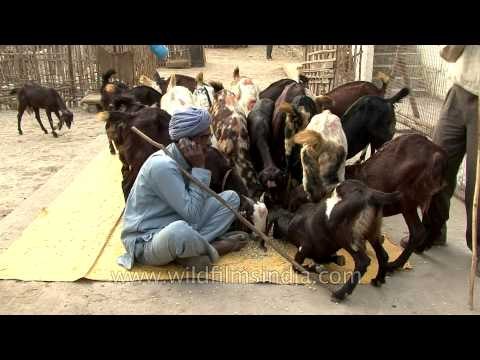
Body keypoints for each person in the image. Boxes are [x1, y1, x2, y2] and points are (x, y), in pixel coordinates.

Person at [117, 107, 248, 271]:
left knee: (231, 199)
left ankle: (188, 251)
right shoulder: (162, 166)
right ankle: (216, 248)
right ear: (186, 142)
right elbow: (192, 213)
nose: (210, 142)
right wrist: (199, 166)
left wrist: (197, 166)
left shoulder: (186, 160)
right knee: (179, 231)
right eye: (205, 137)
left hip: (181, 221)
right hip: (147, 240)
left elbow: (195, 210)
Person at [402, 45, 480, 276]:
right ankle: (432, 230)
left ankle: (478, 246)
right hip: (459, 91)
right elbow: (448, 53)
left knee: (477, 183)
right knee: (436, 165)